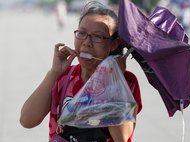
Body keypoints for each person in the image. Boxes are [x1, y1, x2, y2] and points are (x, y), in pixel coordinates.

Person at [20, 1, 142, 142]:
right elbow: (27, 120)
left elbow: (121, 137)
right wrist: (54, 72)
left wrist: (112, 81)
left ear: (114, 43)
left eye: (98, 36)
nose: (86, 42)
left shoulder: (126, 81)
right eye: (82, 33)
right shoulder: (64, 77)